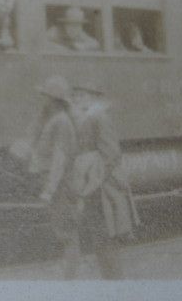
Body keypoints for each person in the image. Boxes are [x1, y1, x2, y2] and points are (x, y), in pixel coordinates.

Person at [71, 81, 139, 279]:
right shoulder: (88, 118)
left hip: (103, 188)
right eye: (75, 96)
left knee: (106, 236)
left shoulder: (99, 117)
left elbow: (111, 154)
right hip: (94, 186)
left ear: (93, 97)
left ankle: (115, 284)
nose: (77, 99)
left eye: (82, 96)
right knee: (100, 237)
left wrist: (93, 181)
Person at [31, 75, 83, 279]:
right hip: (60, 185)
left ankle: (70, 278)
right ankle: (69, 273)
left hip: (61, 186)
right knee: (63, 230)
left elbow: (59, 160)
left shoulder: (60, 122)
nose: (42, 100)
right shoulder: (55, 120)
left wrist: (49, 190)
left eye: (44, 96)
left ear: (53, 100)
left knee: (67, 232)